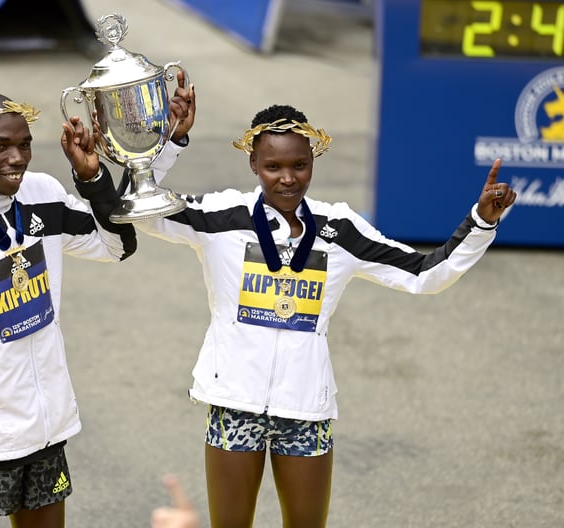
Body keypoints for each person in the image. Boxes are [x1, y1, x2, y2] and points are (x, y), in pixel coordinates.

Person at [138, 97, 516, 528]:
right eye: (273, 167)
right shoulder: (221, 215)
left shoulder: (340, 228)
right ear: (253, 165)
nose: (287, 178)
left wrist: (481, 223)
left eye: (299, 165)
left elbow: (424, 274)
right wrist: (174, 140)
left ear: (312, 160)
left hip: (306, 408)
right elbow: (142, 212)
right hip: (233, 403)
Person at [0, 91, 189, 527]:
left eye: (24, 144)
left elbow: (117, 244)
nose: (16, 158)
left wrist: (91, 180)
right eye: (0, 147)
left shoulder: (42, 193)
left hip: (46, 429)